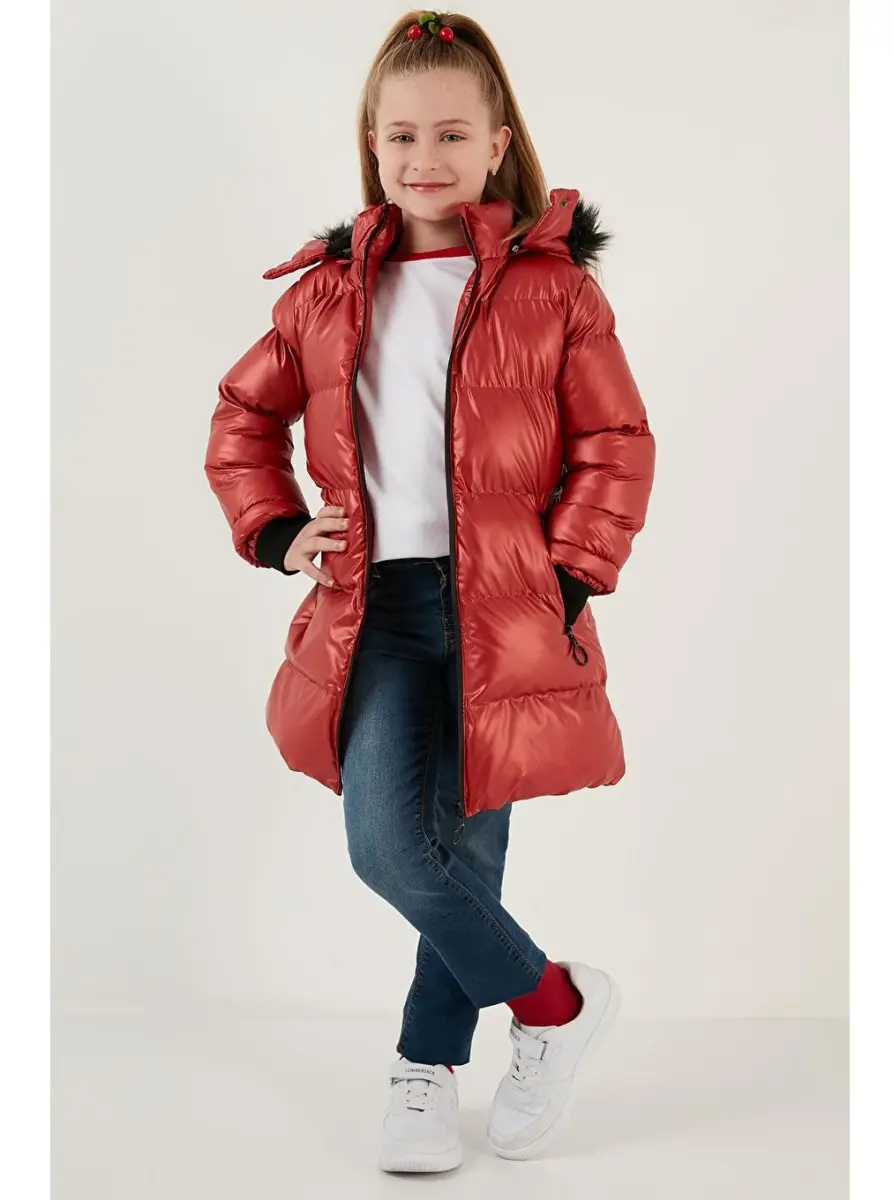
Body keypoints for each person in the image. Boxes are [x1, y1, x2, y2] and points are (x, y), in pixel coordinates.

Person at [205, 8, 655, 1175]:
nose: (424, 158)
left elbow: (615, 440)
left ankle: (424, 1071)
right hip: (380, 612)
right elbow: (243, 415)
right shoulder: (324, 295)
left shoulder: (553, 292)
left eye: (452, 134)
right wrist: (276, 529)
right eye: (401, 135)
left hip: (508, 608)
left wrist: (571, 571)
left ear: (497, 143)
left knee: (464, 852)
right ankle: (554, 1004)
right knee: (390, 847)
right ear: (372, 141)